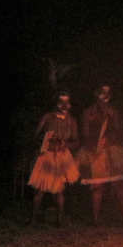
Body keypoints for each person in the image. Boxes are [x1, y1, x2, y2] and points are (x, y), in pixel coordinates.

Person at [78, 84, 123, 225]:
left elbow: (121, 132)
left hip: (113, 152)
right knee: (97, 186)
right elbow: (85, 134)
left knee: (119, 185)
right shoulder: (88, 112)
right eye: (102, 92)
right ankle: (96, 220)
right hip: (96, 152)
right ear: (96, 94)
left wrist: (111, 139)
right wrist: (95, 146)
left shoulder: (114, 112)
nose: (105, 96)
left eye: (108, 93)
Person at [28, 90, 79, 226]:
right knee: (40, 189)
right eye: (61, 101)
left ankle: (60, 219)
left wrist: (65, 144)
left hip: (62, 156)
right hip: (47, 155)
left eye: (66, 102)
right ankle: (33, 219)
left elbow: (76, 141)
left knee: (60, 190)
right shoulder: (48, 117)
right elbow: (35, 136)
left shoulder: (72, 121)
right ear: (56, 103)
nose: (63, 105)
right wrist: (45, 141)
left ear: (70, 104)